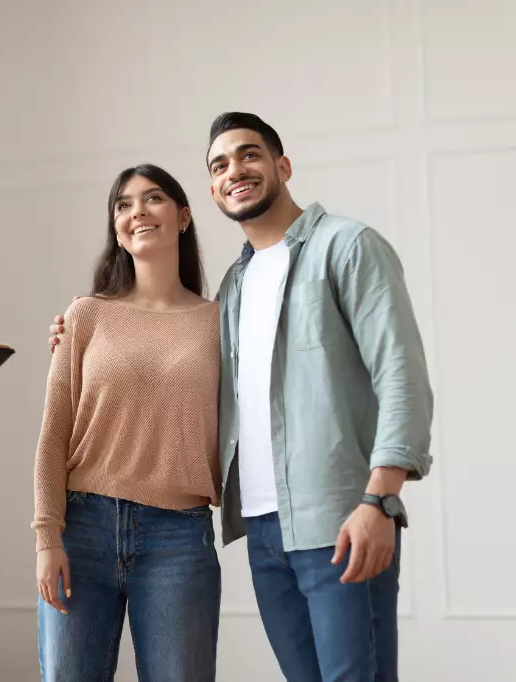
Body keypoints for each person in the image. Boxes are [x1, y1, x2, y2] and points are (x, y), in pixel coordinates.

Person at [49, 113, 433, 682]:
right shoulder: (233, 286)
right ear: (211, 190)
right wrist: (81, 339)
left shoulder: (347, 247)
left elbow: (401, 376)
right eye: (220, 164)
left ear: (282, 165)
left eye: (249, 155)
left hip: (340, 518)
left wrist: (380, 500)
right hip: (262, 530)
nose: (236, 171)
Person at [33, 164, 222, 682]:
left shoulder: (219, 322)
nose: (136, 210)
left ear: (183, 217)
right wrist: (47, 538)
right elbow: (53, 436)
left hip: (179, 541)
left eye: (153, 198)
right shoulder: (85, 316)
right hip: (81, 531)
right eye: (123, 204)